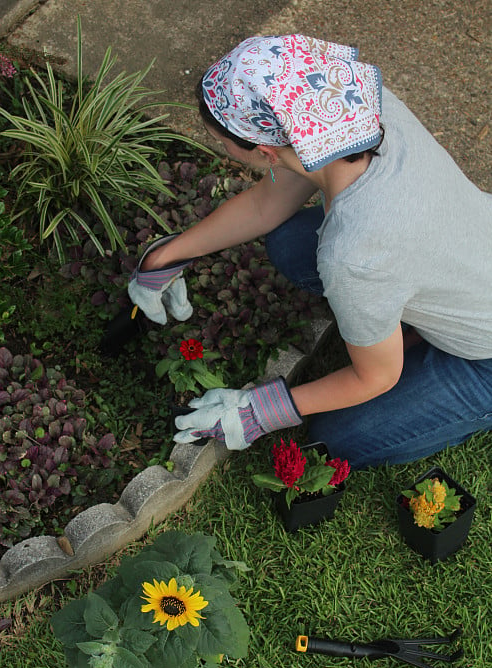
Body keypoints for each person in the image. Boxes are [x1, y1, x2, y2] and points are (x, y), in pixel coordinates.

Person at [127, 34, 492, 469]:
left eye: (222, 142)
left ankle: (445, 365)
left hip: (485, 353)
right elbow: (267, 205)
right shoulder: (346, 110)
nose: (222, 149)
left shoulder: (355, 254)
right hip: (464, 257)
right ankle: (405, 326)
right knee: (289, 242)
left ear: (264, 151)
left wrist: (257, 411)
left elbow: (377, 376)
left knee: (341, 437)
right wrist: (166, 257)